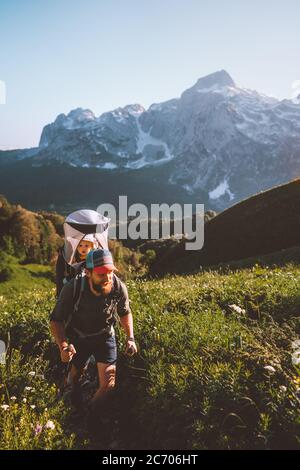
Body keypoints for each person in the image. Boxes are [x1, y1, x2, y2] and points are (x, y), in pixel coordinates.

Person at [49, 248, 138, 416]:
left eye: (110, 272)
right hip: (78, 337)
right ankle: (68, 401)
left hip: (105, 336)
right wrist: (63, 346)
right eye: (101, 274)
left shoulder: (118, 286)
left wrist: (130, 338)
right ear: (88, 272)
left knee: (108, 385)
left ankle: (88, 413)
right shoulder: (73, 288)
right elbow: (56, 320)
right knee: (74, 377)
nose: (107, 278)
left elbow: (125, 312)